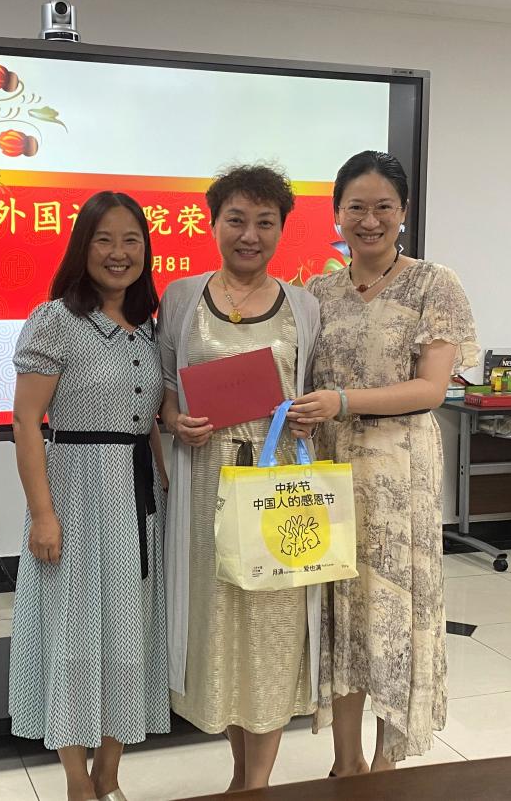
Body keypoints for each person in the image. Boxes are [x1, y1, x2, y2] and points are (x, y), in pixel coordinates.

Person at [289, 151, 478, 774]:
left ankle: (386, 766)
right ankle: (345, 764)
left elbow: (431, 388)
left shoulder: (434, 284)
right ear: (336, 213)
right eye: (356, 208)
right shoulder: (317, 293)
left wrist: (342, 401)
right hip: (331, 469)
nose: (369, 221)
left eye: (383, 207)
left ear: (403, 212)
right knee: (342, 611)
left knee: (394, 611)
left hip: (400, 474)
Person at [158, 164, 321, 791]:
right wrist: (175, 421)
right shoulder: (180, 298)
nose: (249, 235)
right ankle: (238, 774)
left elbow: (314, 388)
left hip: (277, 487)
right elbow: (165, 392)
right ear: (212, 223)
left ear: (281, 229)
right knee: (220, 626)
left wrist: (307, 411)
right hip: (206, 485)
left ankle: (257, 784)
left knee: (274, 628)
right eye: (236, 220)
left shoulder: (303, 306)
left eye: (264, 222)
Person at [9, 191, 170, 801]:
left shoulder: (149, 327)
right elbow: (26, 422)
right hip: (76, 494)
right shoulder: (55, 320)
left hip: (138, 500)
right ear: (83, 246)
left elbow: (147, 421)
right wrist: (42, 515)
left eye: (131, 240)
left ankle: (110, 775)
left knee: (130, 636)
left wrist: (167, 488)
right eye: (104, 239)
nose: (118, 252)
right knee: (74, 637)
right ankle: (77, 782)